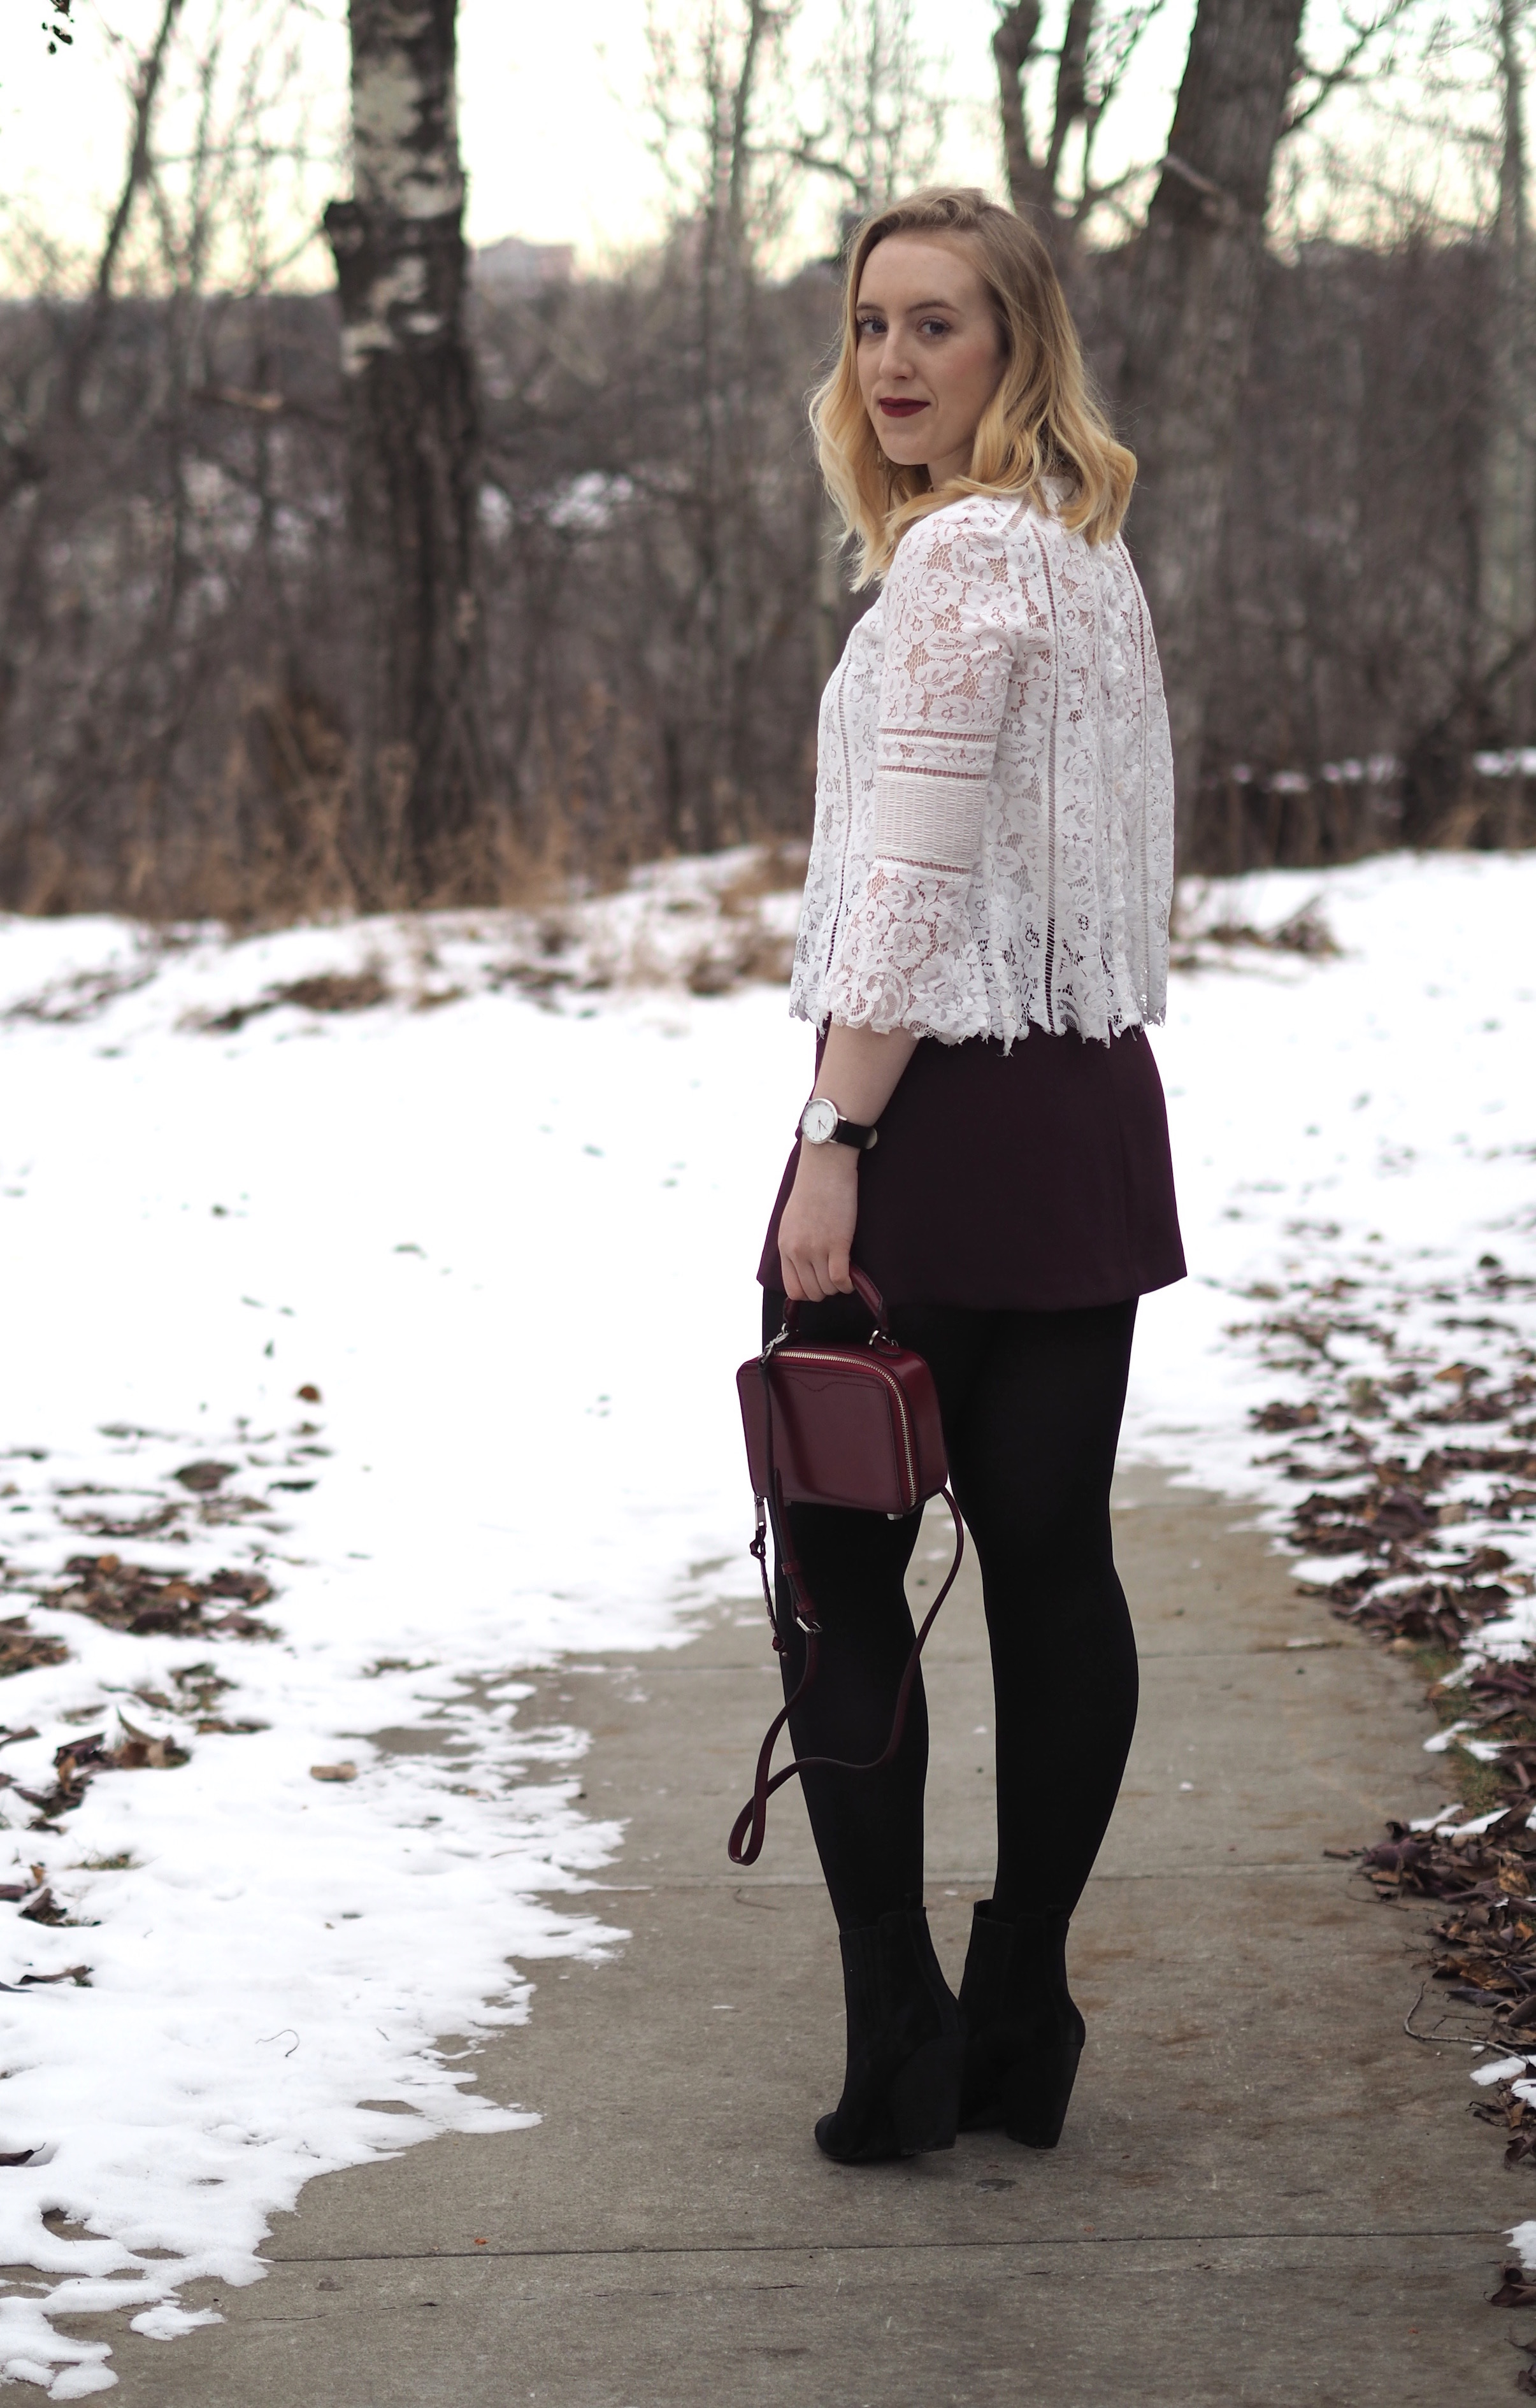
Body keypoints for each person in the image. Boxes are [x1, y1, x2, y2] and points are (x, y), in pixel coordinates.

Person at [755, 187, 1185, 2166]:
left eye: (941, 324)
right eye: (870, 324)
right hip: (1082, 1104)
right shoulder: (1088, 563)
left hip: (932, 1115)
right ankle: (1025, 1995)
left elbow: (913, 891)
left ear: (1018, 345)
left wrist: (833, 1141)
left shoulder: (954, 572)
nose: (896, 363)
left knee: (838, 1567)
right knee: (1048, 1557)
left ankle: (896, 2032)